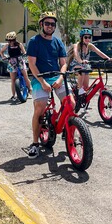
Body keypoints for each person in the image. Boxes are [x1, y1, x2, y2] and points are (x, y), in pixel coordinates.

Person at [26, 12, 75, 159]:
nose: (50, 26)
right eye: (47, 23)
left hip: (56, 76)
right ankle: (35, 143)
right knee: (40, 108)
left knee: (71, 103)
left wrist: (61, 77)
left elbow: (64, 63)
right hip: (39, 78)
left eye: (52, 24)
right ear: (41, 24)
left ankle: (67, 129)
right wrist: (42, 82)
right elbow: (32, 65)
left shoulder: (58, 42)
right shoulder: (34, 41)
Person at [69, 28, 112, 100]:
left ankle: (82, 99)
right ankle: (79, 89)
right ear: (81, 38)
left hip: (85, 65)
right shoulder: (77, 45)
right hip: (76, 64)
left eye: (89, 37)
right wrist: (81, 61)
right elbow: (76, 54)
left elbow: (99, 52)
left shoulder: (90, 45)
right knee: (82, 70)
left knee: (86, 87)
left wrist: (108, 58)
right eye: (85, 37)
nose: (88, 39)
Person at [0, 31, 32, 101]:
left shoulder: (19, 44)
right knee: (13, 80)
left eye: (11, 40)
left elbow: (24, 52)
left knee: (25, 76)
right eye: (9, 40)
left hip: (20, 60)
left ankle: (30, 89)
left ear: (14, 39)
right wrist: (3, 57)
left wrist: (25, 54)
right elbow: (1, 52)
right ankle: (14, 95)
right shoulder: (7, 45)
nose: (10, 42)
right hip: (11, 62)